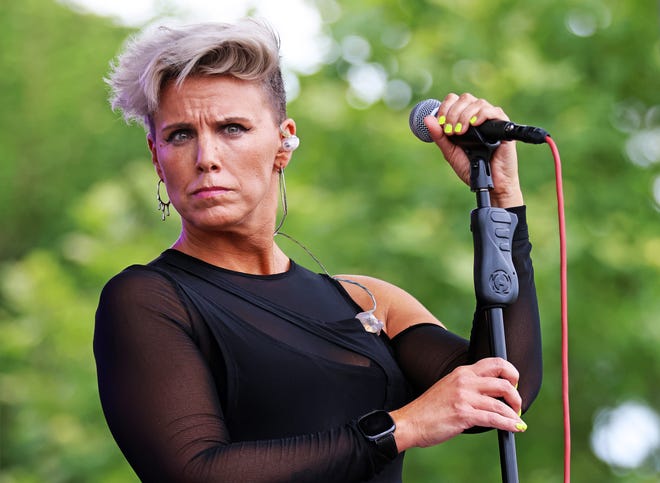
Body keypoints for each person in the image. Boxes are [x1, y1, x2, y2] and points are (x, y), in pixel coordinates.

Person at [94, 18, 542, 482]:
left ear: (283, 142)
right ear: (155, 155)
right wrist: (403, 427)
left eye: (232, 128)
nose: (206, 157)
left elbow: (505, 387)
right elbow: (195, 474)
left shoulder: (369, 301)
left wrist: (504, 197)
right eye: (180, 134)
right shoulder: (148, 299)